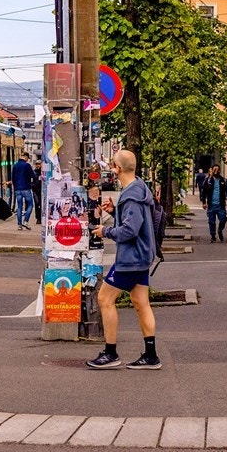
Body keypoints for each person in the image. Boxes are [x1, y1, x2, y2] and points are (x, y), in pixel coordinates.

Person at [88, 149, 160, 370]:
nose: (111, 168)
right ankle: (151, 356)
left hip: (130, 259)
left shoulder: (131, 196)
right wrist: (117, 211)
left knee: (104, 299)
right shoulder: (138, 188)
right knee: (140, 303)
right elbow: (133, 221)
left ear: (118, 168)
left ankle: (110, 353)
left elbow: (129, 230)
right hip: (141, 256)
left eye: (112, 165)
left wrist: (105, 231)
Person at [204, 169, 227, 242]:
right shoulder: (208, 181)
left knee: (223, 219)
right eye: (214, 170)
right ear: (212, 171)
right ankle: (213, 236)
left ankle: (220, 229)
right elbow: (204, 192)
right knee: (211, 221)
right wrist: (203, 202)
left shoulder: (223, 181)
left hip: (221, 205)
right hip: (211, 205)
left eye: (218, 170)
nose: (216, 171)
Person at [11, 153, 36, 230]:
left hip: (18, 189)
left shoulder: (15, 166)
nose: (27, 160)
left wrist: (15, 187)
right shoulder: (27, 165)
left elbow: (13, 178)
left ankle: (19, 225)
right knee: (30, 205)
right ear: (25, 157)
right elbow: (33, 175)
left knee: (19, 207)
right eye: (28, 158)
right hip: (26, 188)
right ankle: (26, 221)